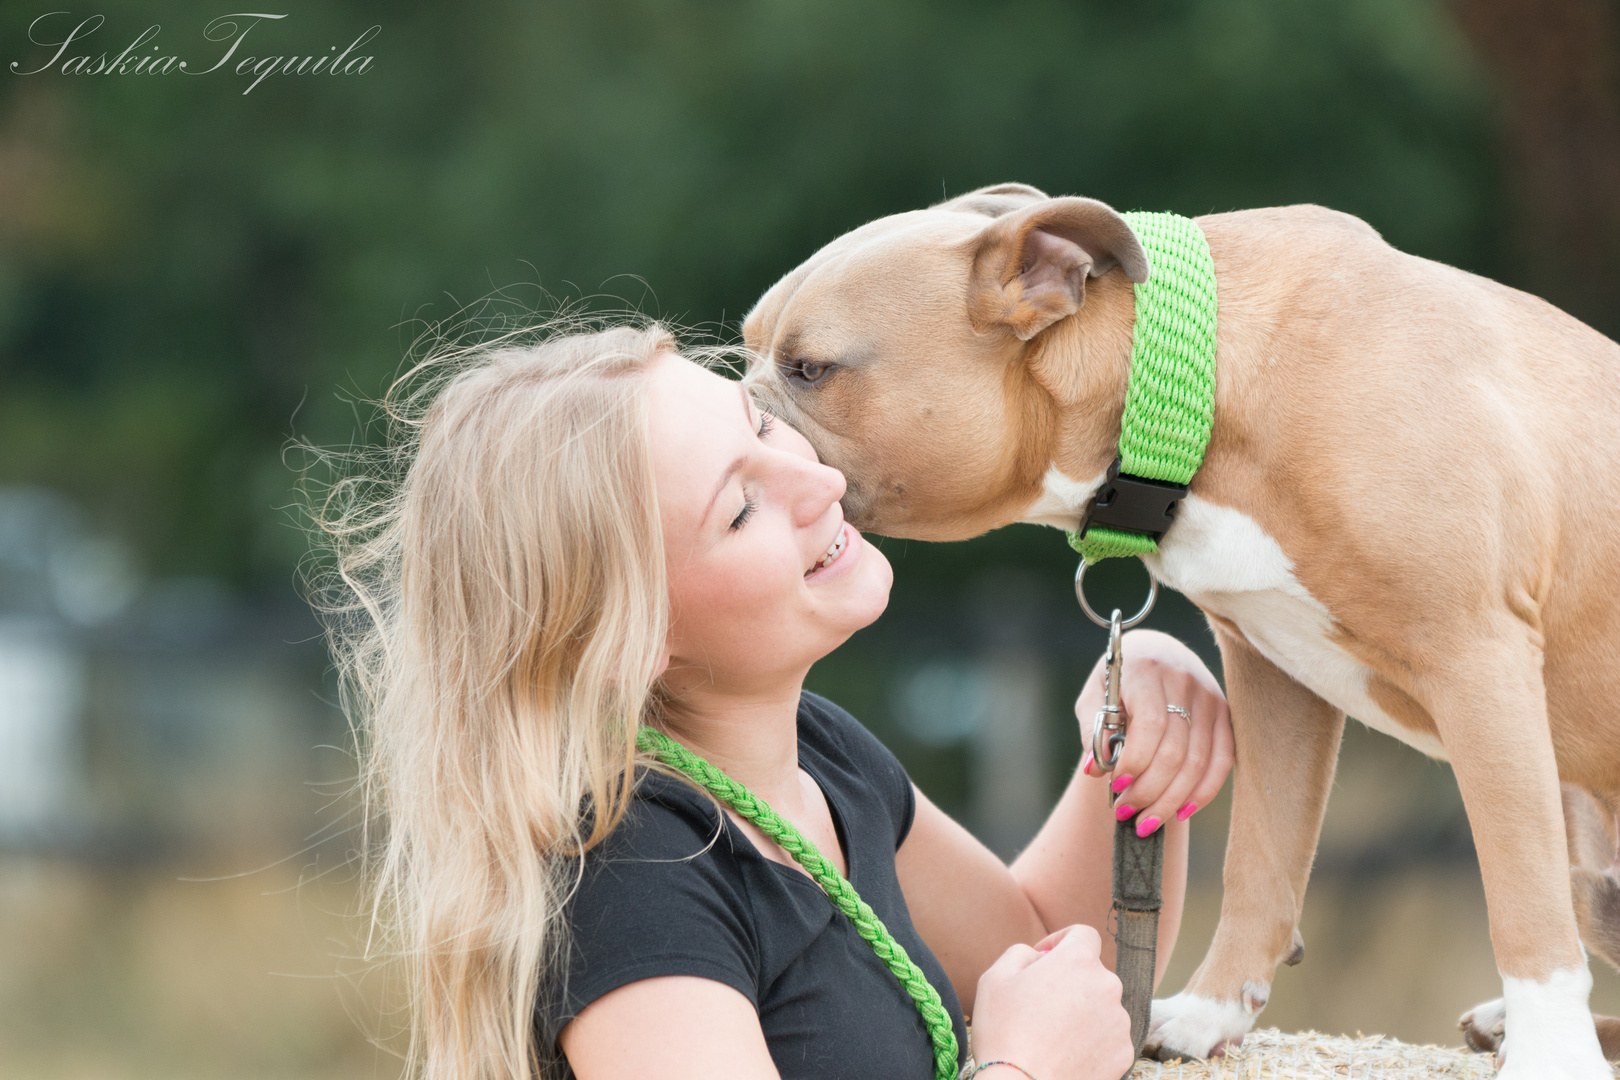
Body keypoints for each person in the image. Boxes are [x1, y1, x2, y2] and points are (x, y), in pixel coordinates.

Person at [311, 321, 1233, 1080]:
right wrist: (1023, 1076)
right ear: (629, 639)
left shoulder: (820, 756)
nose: (823, 480)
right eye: (739, 509)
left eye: (761, 427)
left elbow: (1055, 964)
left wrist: (1136, 727)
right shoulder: (625, 879)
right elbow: (1043, 1047)